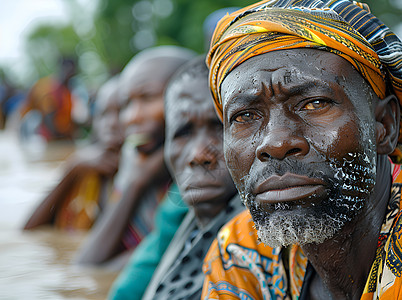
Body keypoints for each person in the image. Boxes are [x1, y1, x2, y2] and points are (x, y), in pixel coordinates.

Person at [202, 1, 402, 299]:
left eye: (314, 103)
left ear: (384, 124)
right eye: (245, 116)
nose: (276, 143)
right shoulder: (239, 252)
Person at [109, 56, 244, 300]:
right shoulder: (186, 215)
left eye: (218, 128)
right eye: (183, 133)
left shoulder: (261, 238)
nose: (198, 154)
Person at [74, 46, 194, 267]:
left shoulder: (203, 183)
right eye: (127, 104)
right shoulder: (131, 166)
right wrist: (136, 181)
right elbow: (87, 265)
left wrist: (137, 182)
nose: (131, 117)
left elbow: (92, 268)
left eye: (147, 98)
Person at [23, 76, 124, 231]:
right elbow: (29, 231)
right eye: (103, 114)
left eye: (122, 111)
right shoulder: (86, 168)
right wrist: (72, 167)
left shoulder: (139, 175)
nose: (111, 123)